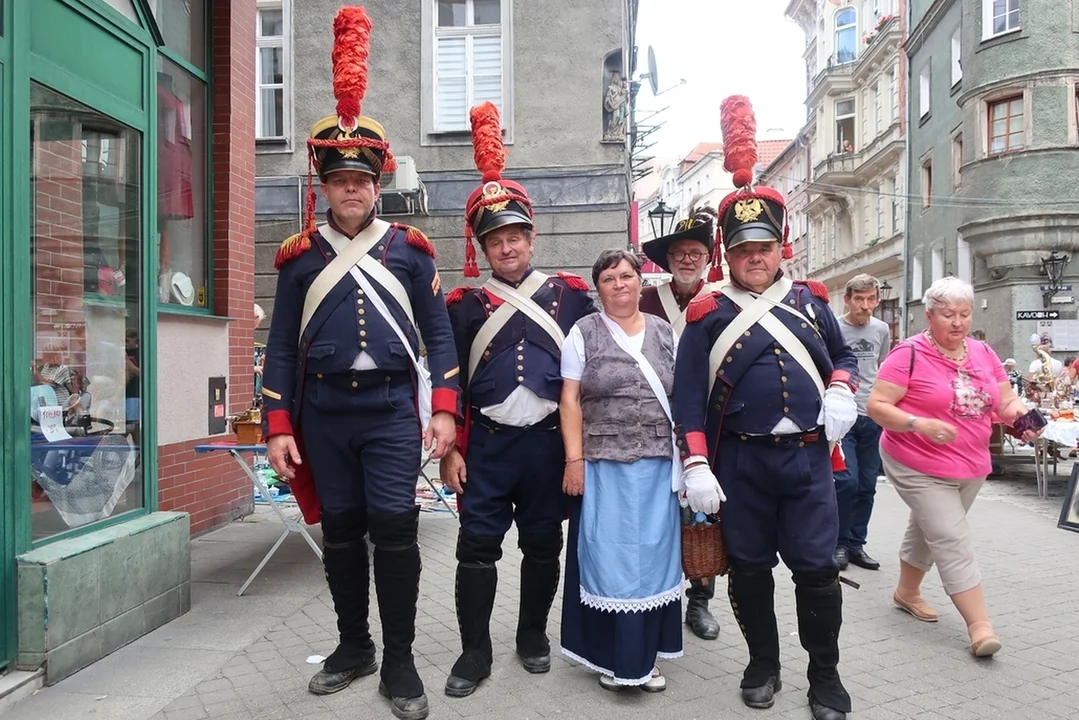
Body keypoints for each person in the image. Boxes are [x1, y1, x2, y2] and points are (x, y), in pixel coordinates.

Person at [260, 9, 458, 719]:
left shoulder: (409, 251)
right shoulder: (296, 260)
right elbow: (281, 346)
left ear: (378, 184)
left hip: (386, 412)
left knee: (394, 529)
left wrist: (443, 412)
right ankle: (353, 645)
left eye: (362, 180)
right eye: (341, 180)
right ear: (325, 185)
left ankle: (400, 659)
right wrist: (278, 424)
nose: (351, 189)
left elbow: (440, 340)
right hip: (322, 413)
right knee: (339, 530)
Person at [671, 95, 859, 720]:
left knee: (816, 575)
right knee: (749, 572)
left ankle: (825, 677)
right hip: (741, 467)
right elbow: (688, 398)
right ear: (728, 249)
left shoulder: (810, 302)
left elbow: (844, 359)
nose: (756, 255)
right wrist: (695, 464)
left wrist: (840, 390)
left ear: (783, 246)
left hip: (807, 464)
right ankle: (763, 663)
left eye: (766, 245)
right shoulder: (706, 313)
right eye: (744, 246)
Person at [440, 101, 597, 699]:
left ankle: (531, 635)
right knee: (476, 550)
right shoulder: (463, 306)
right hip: (488, 447)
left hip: (545, 448)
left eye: (514, 236)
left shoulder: (570, 297)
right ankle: (474, 652)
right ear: (480, 248)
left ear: (531, 238)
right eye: (494, 240)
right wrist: (448, 450)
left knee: (541, 545)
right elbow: (446, 378)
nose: (506, 248)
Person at [867, 277, 1042, 658]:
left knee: (930, 527)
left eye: (964, 314)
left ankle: (907, 592)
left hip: (970, 463)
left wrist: (1020, 417)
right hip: (914, 459)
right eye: (948, 314)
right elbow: (877, 405)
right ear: (929, 315)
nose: (958, 322)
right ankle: (980, 627)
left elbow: (1004, 400)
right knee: (950, 536)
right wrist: (918, 423)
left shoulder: (982, 352)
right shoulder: (907, 353)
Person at [559, 249, 682, 691]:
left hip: (657, 465)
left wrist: (693, 462)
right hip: (603, 465)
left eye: (627, 276)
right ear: (598, 288)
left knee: (653, 557)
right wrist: (574, 461)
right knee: (608, 558)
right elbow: (569, 401)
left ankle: (646, 656)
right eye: (609, 278)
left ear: (640, 282)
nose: (619, 284)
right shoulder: (583, 333)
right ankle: (610, 655)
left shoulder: (667, 333)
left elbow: (682, 399)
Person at [640, 205, 722, 640]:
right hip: (651, 423)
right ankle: (661, 595)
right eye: (679, 253)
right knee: (658, 517)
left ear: (709, 258)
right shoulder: (646, 300)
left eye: (695, 252)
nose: (687, 260)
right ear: (667, 260)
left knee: (702, 517)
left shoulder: (723, 301)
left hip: (703, 423)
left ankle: (700, 601)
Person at [832, 274, 892, 572]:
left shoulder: (881, 330)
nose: (865, 306)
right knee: (846, 481)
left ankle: (857, 544)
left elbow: (878, 368)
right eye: (859, 299)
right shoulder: (835, 327)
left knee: (867, 485)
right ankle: (839, 543)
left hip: (872, 415)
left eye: (871, 300)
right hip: (844, 416)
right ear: (848, 299)